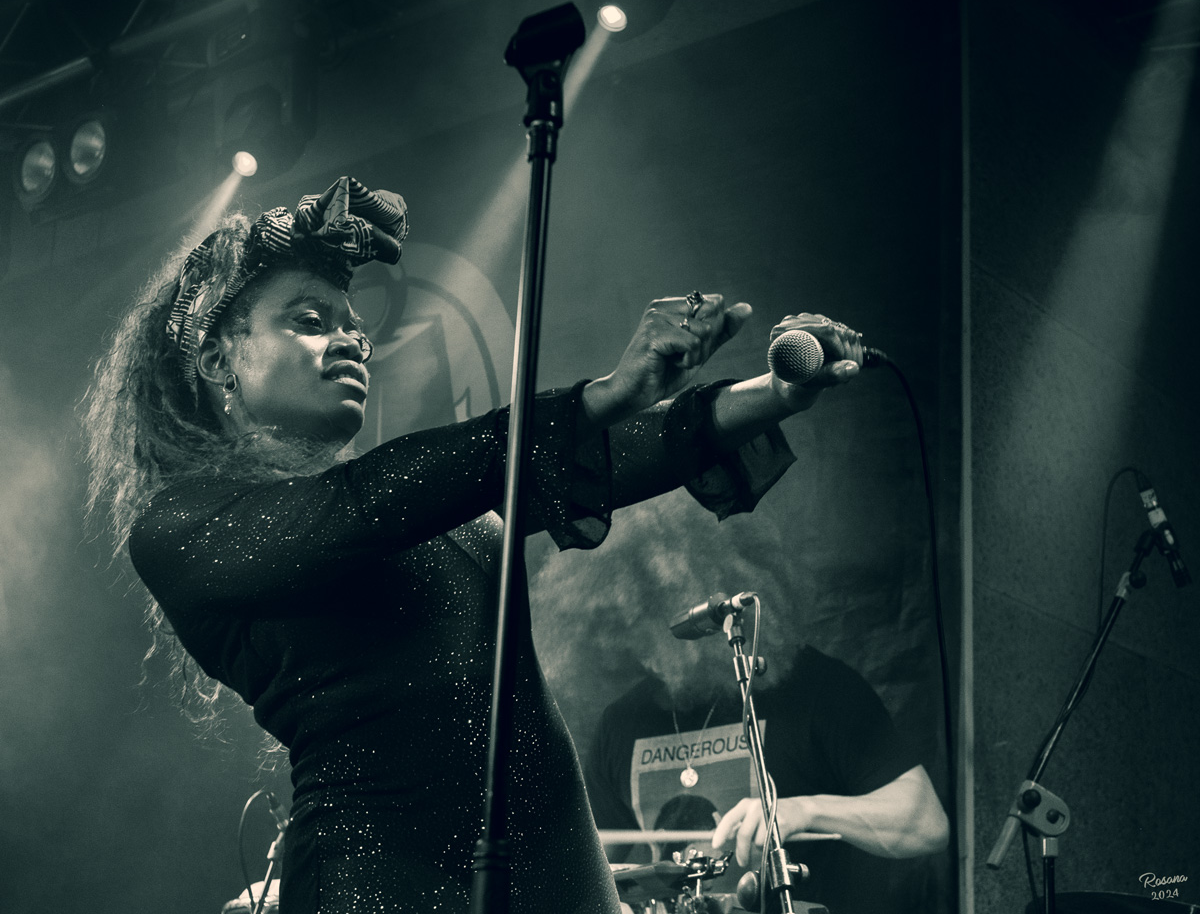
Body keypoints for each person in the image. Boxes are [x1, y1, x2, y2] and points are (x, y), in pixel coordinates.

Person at [81, 175, 867, 914]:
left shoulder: (418, 504)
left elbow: (612, 455)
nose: (349, 340)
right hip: (382, 885)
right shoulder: (182, 528)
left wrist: (774, 393)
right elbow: (361, 506)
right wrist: (602, 393)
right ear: (217, 358)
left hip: (559, 881)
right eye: (310, 322)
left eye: (353, 326)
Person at [584, 623, 950, 914]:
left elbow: (928, 824)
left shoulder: (815, 687)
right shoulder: (621, 723)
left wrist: (804, 810)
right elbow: (585, 869)